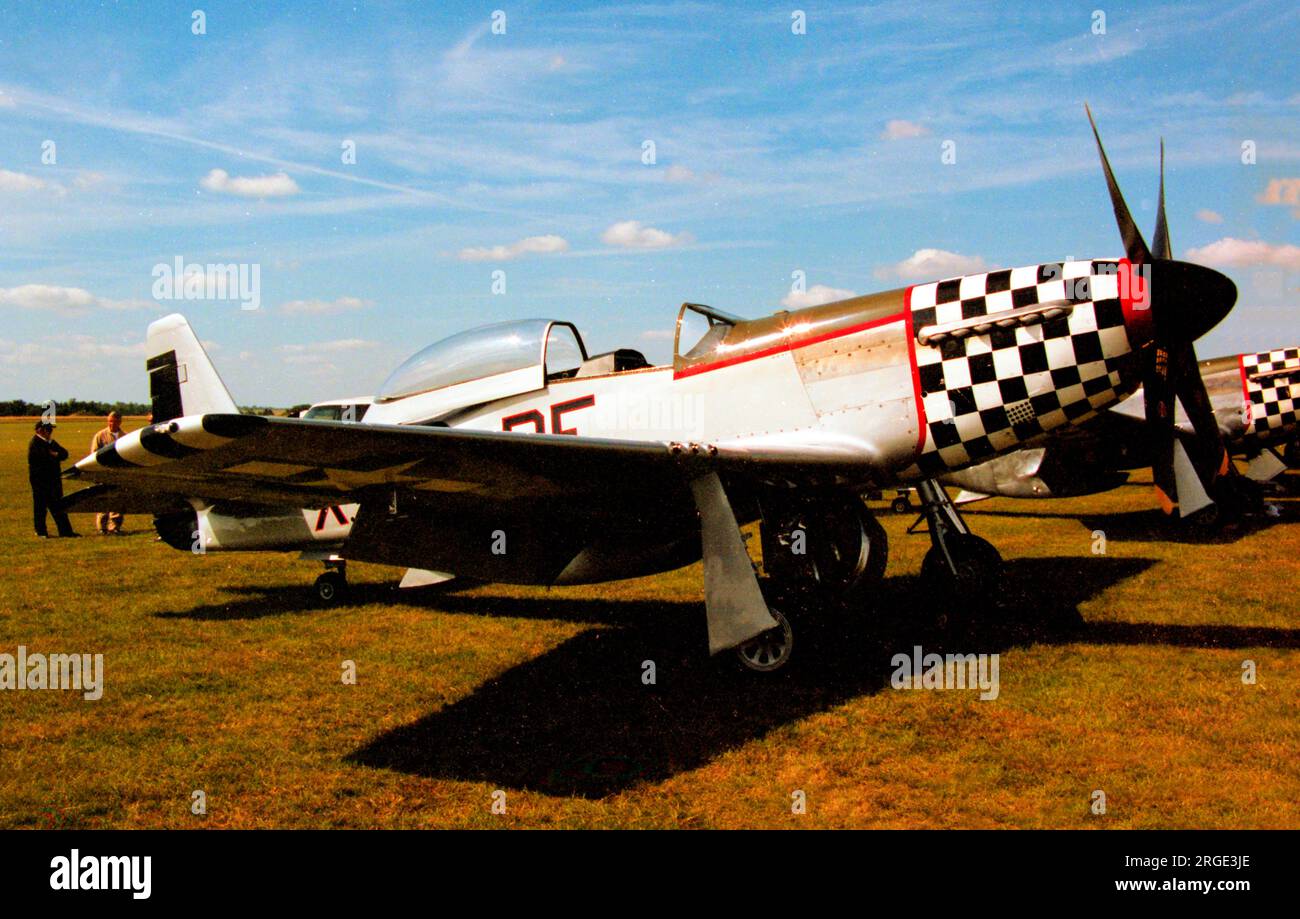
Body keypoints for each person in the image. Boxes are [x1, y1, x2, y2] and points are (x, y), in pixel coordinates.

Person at [28, 420, 78, 538]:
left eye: (50, 430)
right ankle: (41, 532)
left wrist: (55, 454)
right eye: (47, 429)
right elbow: (44, 458)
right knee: (40, 508)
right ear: (39, 430)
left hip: (54, 481)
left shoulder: (51, 442)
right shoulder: (35, 443)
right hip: (40, 482)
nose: (49, 432)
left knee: (59, 506)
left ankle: (65, 531)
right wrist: (55, 455)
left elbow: (65, 454)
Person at [91, 411, 126, 534]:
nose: (111, 424)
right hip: (105, 472)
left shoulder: (125, 436)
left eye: (114, 421)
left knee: (117, 499)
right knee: (104, 498)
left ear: (119, 422)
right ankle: (102, 526)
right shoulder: (100, 436)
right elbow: (94, 453)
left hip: (119, 473)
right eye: (110, 421)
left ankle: (115, 527)